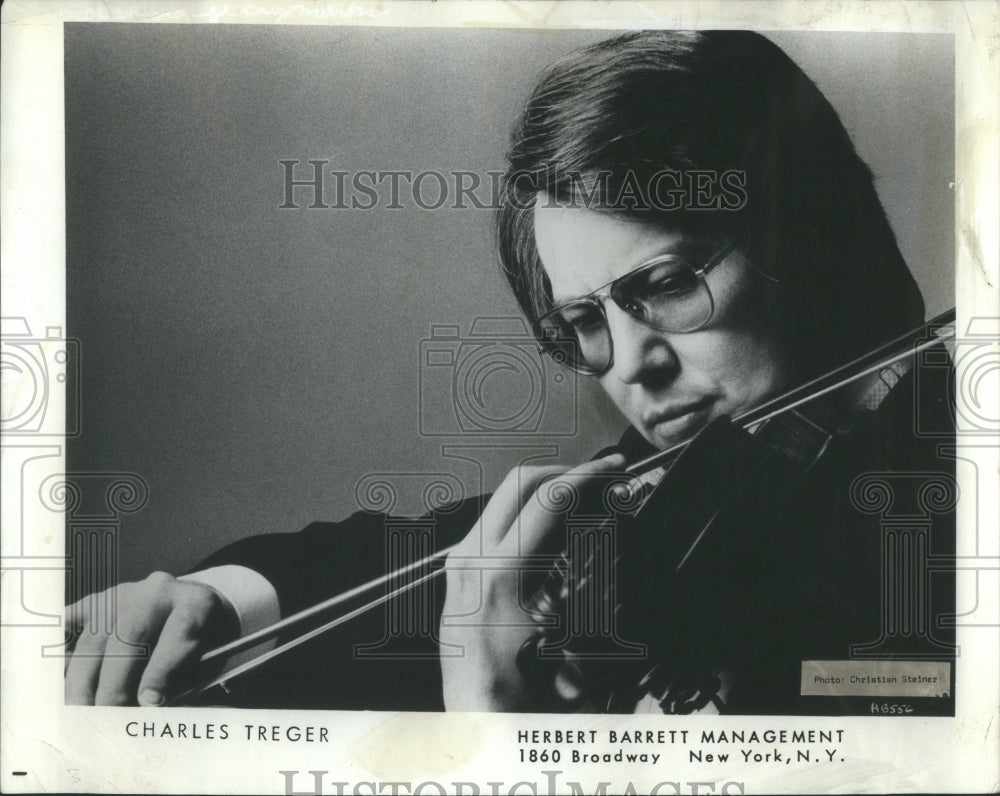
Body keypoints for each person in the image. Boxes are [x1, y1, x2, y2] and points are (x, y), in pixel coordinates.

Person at [64, 30, 955, 714]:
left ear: (817, 244)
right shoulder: (638, 519)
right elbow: (387, 558)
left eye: (670, 285)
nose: (629, 363)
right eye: (582, 321)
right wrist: (203, 603)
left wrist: (493, 727)